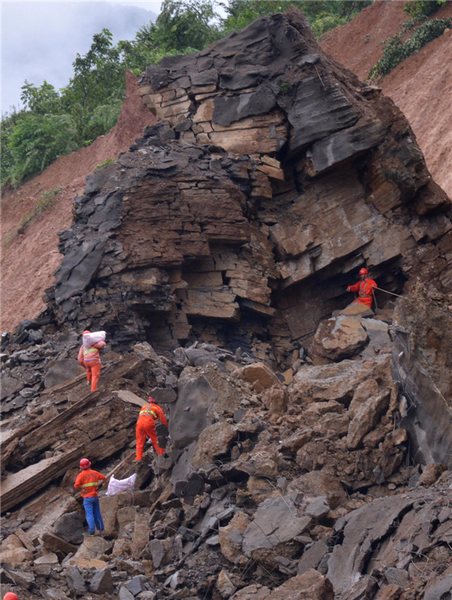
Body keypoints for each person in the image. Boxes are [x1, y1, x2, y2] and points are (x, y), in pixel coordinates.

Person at [74, 458, 106, 536]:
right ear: (89, 465)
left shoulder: (81, 475)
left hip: (87, 498)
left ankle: (92, 531)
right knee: (97, 513)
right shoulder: (94, 473)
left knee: (89, 514)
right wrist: (99, 485)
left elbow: (76, 485)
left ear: (81, 467)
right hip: (95, 496)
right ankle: (101, 529)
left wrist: (82, 488)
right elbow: (103, 478)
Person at [135, 396, 168, 461]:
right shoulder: (157, 408)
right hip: (148, 423)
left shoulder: (144, 406)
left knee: (139, 441)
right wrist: (166, 428)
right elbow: (163, 419)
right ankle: (161, 454)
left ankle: (138, 457)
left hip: (139, 423)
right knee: (155, 439)